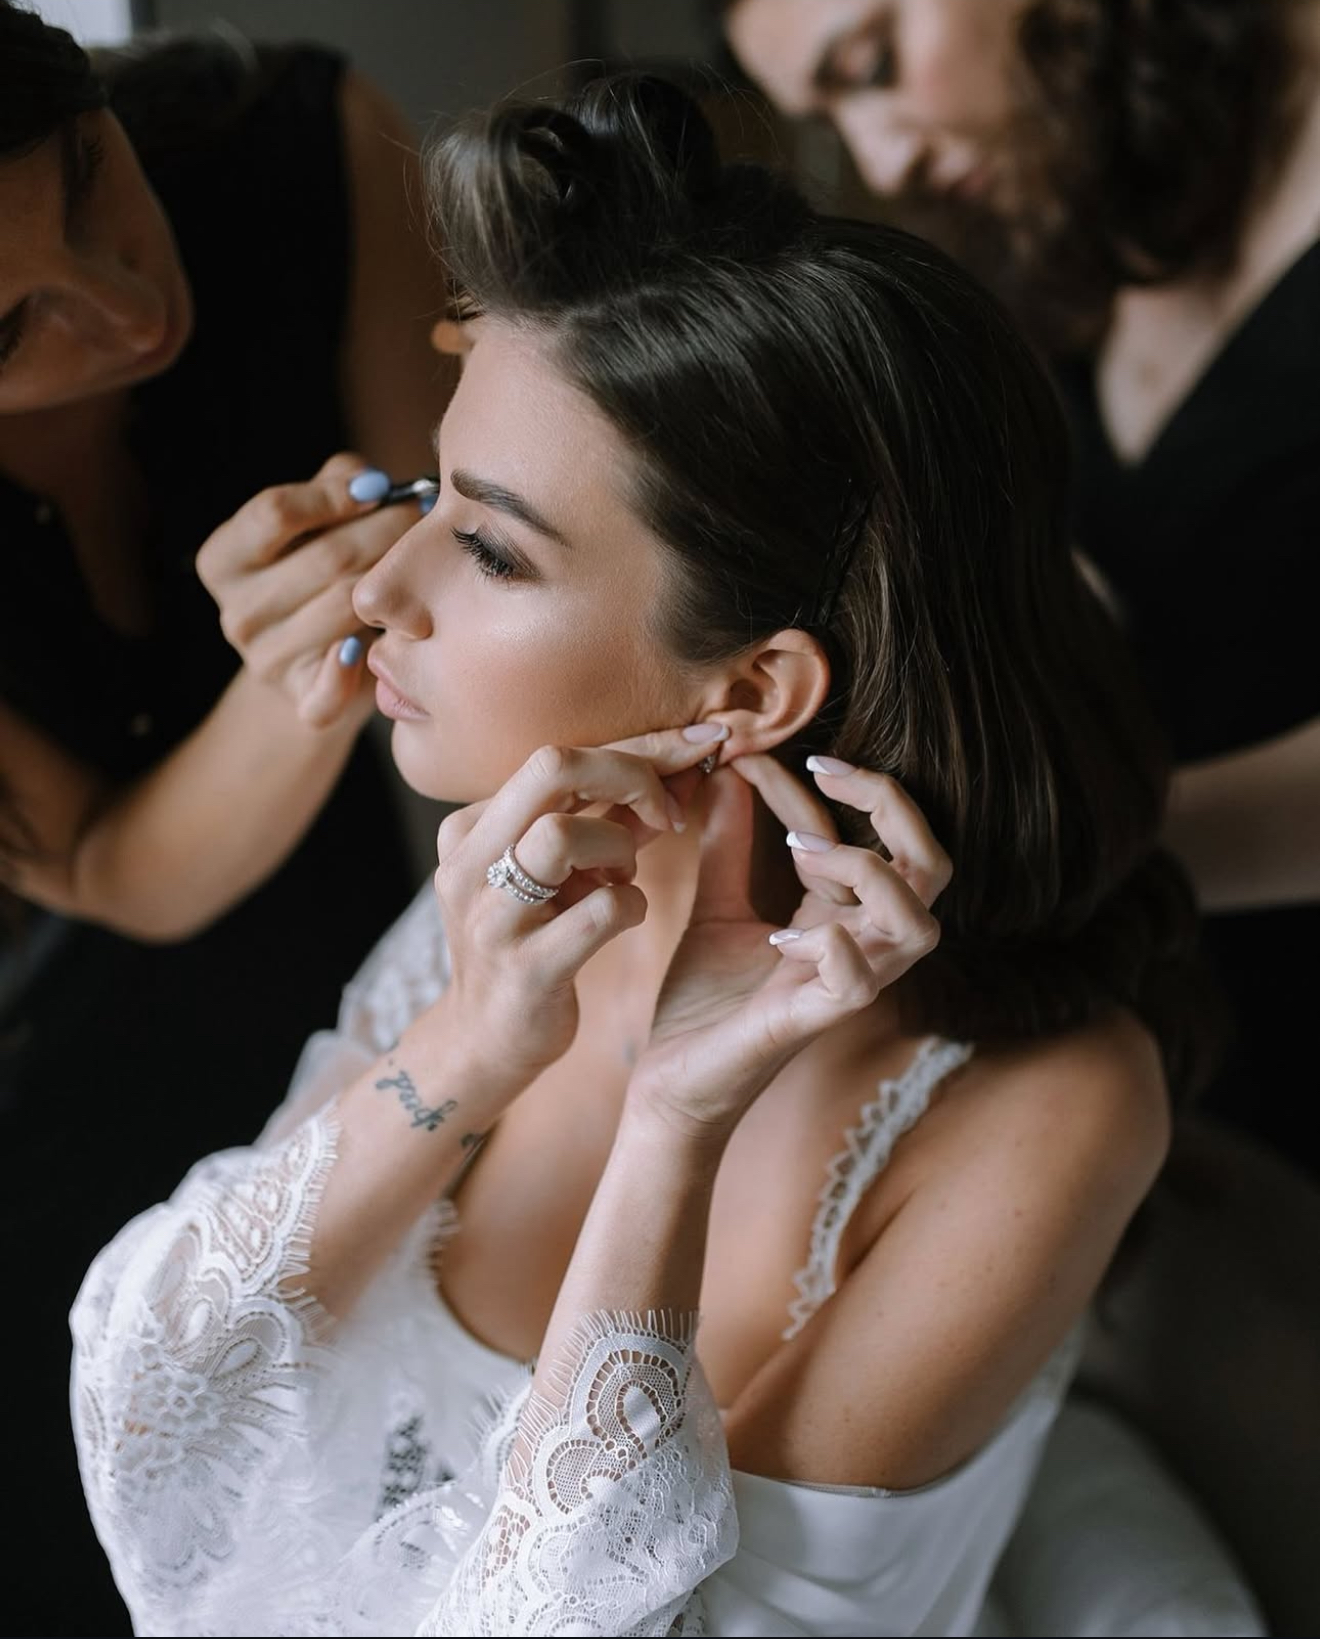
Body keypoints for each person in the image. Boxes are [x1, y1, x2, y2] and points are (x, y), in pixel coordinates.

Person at [67, 74, 1234, 1637]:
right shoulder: (505, 912)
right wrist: (469, 1048)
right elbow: (146, 1417)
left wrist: (674, 1124)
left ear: (749, 689)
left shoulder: (1048, 1109)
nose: (382, 582)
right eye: (427, 486)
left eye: (486, 544)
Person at [0, 7, 448, 1631]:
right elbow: (114, 863)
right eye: (9, 331)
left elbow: (468, 602)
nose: (125, 305)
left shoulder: (303, 144)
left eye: (86, 177)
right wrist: (295, 682)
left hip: (351, 959)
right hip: (62, 1069)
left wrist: (406, 596)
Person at [724, 0, 1320, 1178]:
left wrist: (1048, 851)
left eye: (874, 66)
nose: (888, 157)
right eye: (833, 112)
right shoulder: (1089, 204)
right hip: (1153, 1077)